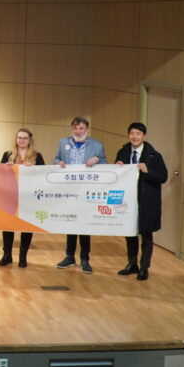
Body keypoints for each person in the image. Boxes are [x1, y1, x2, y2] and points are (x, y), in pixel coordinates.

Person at [115, 122, 168, 281]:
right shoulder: (123, 152)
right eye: (132, 133)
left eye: (138, 134)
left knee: (146, 234)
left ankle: (144, 267)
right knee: (130, 233)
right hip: (128, 200)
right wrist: (117, 167)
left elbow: (163, 177)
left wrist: (148, 171)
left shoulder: (154, 155)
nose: (135, 137)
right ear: (128, 135)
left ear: (144, 136)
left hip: (147, 201)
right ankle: (132, 264)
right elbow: (117, 176)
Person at [54, 116, 107, 274]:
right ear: (72, 129)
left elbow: (105, 165)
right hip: (69, 190)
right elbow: (56, 158)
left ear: (87, 129)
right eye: (75, 128)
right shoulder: (63, 143)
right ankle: (69, 256)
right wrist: (58, 163)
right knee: (70, 222)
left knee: (85, 224)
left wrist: (97, 160)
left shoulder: (97, 145)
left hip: (87, 190)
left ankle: (85, 258)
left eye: (81, 128)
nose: (78, 131)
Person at [0, 127, 44, 267]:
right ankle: (7, 255)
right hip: (10, 196)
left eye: (25, 138)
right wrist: (6, 168)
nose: (22, 140)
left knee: (27, 226)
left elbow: (43, 175)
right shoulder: (7, 155)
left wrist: (34, 170)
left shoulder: (37, 156)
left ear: (30, 140)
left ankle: (23, 256)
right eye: (19, 138)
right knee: (8, 225)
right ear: (16, 139)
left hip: (29, 197)